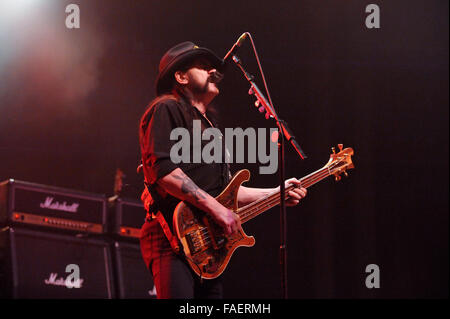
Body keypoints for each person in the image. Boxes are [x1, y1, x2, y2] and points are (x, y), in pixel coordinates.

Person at [139, 41, 307, 299]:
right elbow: (165, 171)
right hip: (170, 238)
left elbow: (226, 191)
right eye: (203, 67)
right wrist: (217, 209)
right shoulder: (166, 108)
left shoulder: (211, 128)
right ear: (181, 77)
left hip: (207, 247)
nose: (212, 72)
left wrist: (275, 193)